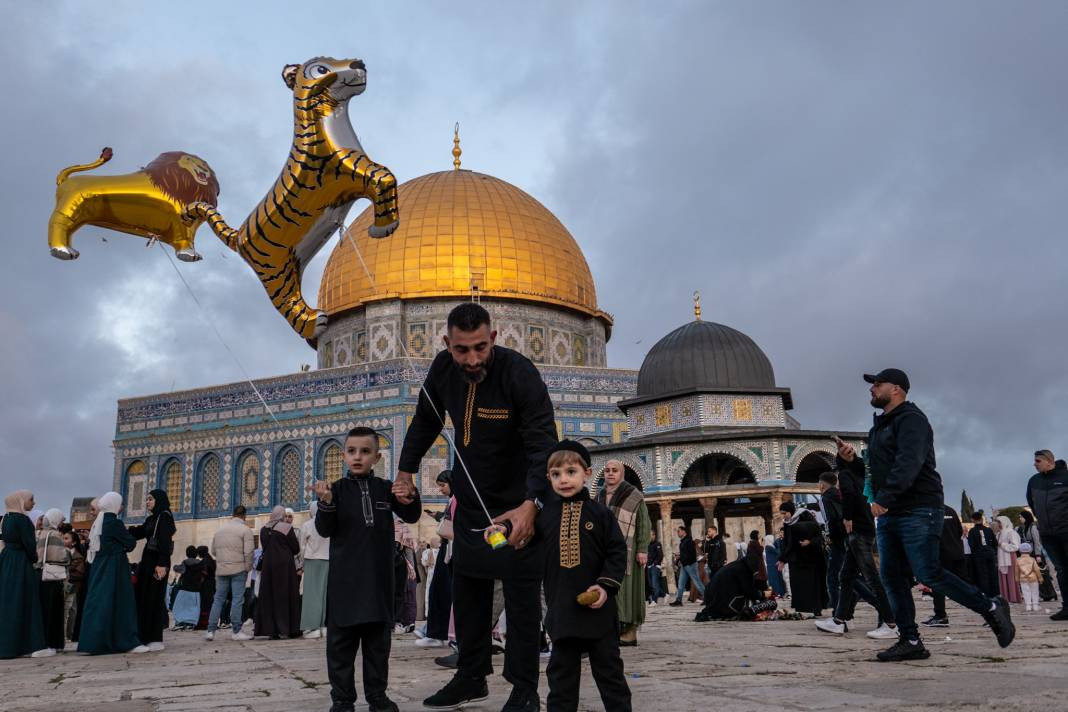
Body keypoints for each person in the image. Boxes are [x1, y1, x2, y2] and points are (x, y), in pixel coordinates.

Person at [397, 303, 557, 712]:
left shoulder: (518, 374)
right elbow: (424, 421)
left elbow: (542, 443)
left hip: (517, 505)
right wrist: (405, 471)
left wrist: (532, 503)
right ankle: (471, 677)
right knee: (467, 596)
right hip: (470, 504)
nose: (472, 359)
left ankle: (524, 690)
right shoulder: (442, 370)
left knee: (522, 604)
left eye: (480, 348)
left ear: (494, 338)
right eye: (462, 350)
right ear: (447, 343)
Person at [845, 368, 1013, 662]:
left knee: (928, 572)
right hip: (892, 513)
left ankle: (990, 607)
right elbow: (877, 471)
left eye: (878, 384)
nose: (872, 389)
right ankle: (910, 640)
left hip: (918, 508)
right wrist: (854, 464)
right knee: (893, 577)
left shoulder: (912, 420)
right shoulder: (879, 428)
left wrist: (884, 499)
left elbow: (909, 463)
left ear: (896, 388)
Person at [312, 426, 421, 712]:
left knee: (377, 648)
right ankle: (343, 700)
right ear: (344, 456)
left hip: (378, 584)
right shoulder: (335, 491)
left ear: (376, 457)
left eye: (364, 451)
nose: (357, 457)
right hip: (345, 585)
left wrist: (410, 494)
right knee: (340, 649)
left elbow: (411, 513)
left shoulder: (385, 489)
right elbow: (325, 531)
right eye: (351, 451)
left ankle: (377, 697)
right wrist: (325, 504)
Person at [540, 441, 631, 712]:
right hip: (562, 609)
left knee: (609, 673)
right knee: (561, 677)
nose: (564, 480)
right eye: (556, 474)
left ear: (587, 474)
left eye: (571, 472)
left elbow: (616, 553)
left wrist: (605, 586)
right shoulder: (544, 517)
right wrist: (503, 530)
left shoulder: (600, 514)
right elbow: (526, 546)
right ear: (548, 478)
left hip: (598, 611)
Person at [79, 492, 149, 655]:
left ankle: (95, 642)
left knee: (101, 602)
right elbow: (130, 543)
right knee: (122, 603)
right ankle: (127, 641)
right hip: (115, 567)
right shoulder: (114, 523)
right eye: (121, 503)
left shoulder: (99, 522)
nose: (123, 506)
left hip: (99, 566)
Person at [595, 459, 650, 647]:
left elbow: (644, 524)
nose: (610, 474)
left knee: (629, 590)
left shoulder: (634, 495)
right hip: (606, 550)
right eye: (607, 470)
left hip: (629, 549)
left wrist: (642, 549)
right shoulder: (599, 495)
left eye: (614, 470)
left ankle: (630, 632)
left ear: (622, 474)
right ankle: (614, 629)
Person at [0, 490, 51, 658]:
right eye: (31, 500)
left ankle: (8, 645)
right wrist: (33, 557)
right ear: (21, 501)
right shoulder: (23, 520)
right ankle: (32, 645)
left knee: (8, 601)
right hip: (21, 563)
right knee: (27, 601)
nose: (33, 503)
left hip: (7, 561)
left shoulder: (6, 519)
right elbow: (30, 546)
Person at [128, 488, 175, 652]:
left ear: (159, 500)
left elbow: (164, 541)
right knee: (145, 597)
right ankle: (145, 635)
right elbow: (141, 531)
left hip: (157, 563)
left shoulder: (165, 517)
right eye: (147, 499)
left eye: (150, 499)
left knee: (154, 598)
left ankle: (155, 638)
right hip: (148, 562)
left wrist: (162, 564)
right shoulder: (152, 519)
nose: (147, 502)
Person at [1025, 451, 1068, 620]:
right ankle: (1067, 607)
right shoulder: (1034, 481)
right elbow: (1031, 503)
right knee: (1061, 570)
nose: (1034, 464)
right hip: (1048, 534)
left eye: (1038, 461)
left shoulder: (1065, 477)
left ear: (1050, 461)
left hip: (1066, 530)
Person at [205, 505, 255, 641]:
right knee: (237, 600)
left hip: (222, 570)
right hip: (238, 569)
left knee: (218, 599)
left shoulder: (220, 530)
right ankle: (236, 631)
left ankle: (210, 630)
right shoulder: (245, 530)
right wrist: (248, 567)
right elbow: (249, 551)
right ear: (244, 516)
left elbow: (214, 551)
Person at [696, 537, 770, 621]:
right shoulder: (742, 570)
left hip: (712, 600)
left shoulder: (737, 565)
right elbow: (747, 590)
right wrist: (762, 594)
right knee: (744, 598)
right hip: (721, 604)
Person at [255, 505, 301, 639]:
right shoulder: (286, 528)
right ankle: (288, 629)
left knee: (269, 596)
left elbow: (264, 546)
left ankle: (272, 631)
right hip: (285, 567)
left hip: (268, 566)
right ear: (281, 515)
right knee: (286, 596)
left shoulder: (264, 529)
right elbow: (296, 548)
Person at [421, 470, 455, 648]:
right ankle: (436, 632)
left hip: (452, 549)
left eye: (443, 486)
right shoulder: (453, 500)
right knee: (439, 591)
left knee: (442, 591)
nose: (441, 490)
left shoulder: (459, 500)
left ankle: (439, 633)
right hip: (448, 549)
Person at [777, 501, 826, 617]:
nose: (784, 516)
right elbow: (787, 542)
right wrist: (782, 559)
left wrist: (810, 542)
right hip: (796, 559)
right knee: (798, 585)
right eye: (782, 514)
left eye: (785, 513)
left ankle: (816, 609)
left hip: (811, 558)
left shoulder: (804, 515)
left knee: (812, 585)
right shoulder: (787, 523)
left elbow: (818, 534)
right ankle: (803, 609)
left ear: (791, 511)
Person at [923, 505, 969, 628]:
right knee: (964, 583)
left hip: (941, 553)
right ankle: (991, 610)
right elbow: (960, 531)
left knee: (937, 585)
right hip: (957, 552)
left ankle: (940, 616)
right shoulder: (951, 510)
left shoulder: (929, 511)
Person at [36, 508, 70, 653]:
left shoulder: (39, 533)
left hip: (40, 575)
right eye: (61, 521)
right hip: (52, 578)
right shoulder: (55, 535)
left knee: (43, 611)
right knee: (53, 611)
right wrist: (68, 552)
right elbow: (61, 557)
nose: (62, 524)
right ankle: (52, 643)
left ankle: (44, 642)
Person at [299, 500, 330, 639]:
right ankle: (324, 626)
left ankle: (312, 627)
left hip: (312, 560)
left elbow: (302, 546)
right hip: (328, 560)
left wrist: (301, 563)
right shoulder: (329, 523)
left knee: (312, 595)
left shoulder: (307, 525)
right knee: (324, 595)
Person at [818, 472, 847, 612]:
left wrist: (830, 538)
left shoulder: (824, 498)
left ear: (822, 485)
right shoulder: (842, 495)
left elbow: (829, 520)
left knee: (832, 577)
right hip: (849, 537)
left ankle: (838, 612)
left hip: (838, 540)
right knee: (850, 574)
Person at [668, 525, 704, 606]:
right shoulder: (683, 542)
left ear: (684, 532)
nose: (677, 533)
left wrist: (682, 558)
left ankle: (707, 598)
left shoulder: (689, 541)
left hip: (690, 565)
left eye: (679, 531)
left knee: (697, 582)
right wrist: (680, 556)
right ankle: (678, 600)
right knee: (680, 583)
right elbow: (686, 553)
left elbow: (692, 554)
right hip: (685, 565)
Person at [172, 545, 206, 630]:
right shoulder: (201, 563)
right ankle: (191, 623)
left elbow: (180, 569)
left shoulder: (185, 562)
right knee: (193, 607)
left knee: (180, 606)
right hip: (196, 589)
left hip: (185, 588)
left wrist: (174, 567)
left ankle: (181, 622)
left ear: (187, 554)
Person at [63, 528, 87, 643]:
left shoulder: (78, 557)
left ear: (74, 542)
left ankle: (69, 635)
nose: (64, 540)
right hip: (66, 586)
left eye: (66, 538)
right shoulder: (62, 553)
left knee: (71, 610)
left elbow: (78, 573)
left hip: (74, 587)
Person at [967, 512, 1000, 597]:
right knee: (992, 573)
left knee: (982, 575)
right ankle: (995, 593)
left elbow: (971, 545)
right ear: (981, 519)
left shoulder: (972, 531)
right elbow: (995, 543)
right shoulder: (988, 530)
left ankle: (986, 593)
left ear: (973, 520)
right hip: (990, 553)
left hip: (979, 555)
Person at [993, 516, 1022, 604]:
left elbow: (1016, 546)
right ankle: (1005, 597)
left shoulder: (1011, 532)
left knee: (1011, 577)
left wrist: (1002, 544)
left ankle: (1013, 597)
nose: (998, 524)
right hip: (1001, 557)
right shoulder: (998, 534)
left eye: (999, 522)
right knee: (1003, 577)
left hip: (1009, 557)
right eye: (997, 522)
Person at [1017, 543, 1043, 612]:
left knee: (1026, 592)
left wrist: (1017, 579)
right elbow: (1036, 570)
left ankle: (1028, 606)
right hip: (1033, 578)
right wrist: (1040, 578)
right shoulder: (1032, 559)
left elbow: (1016, 571)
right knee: (1035, 592)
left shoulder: (1017, 560)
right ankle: (1035, 605)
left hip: (1023, 579)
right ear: (1030, 550)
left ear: (1020, 551)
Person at [196, 545, 216, 630]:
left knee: (205, 604)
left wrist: (199, 584)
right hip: (211, 584)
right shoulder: (210, 559)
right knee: (209, 603)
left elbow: (204, 573)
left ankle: (204, 624)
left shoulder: (205, 561)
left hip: (206, 585)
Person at [646, 531, 664, 604]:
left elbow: (660, 555)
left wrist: (655, 563)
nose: (650, 537)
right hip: (648, 566)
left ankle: (654, 601)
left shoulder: (658, 544)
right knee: (651, 584)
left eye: (652, 535)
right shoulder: (647, 545)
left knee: (654, 584)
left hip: (655, 566)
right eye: (649, 535)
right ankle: (664, 594)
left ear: (654, 535)